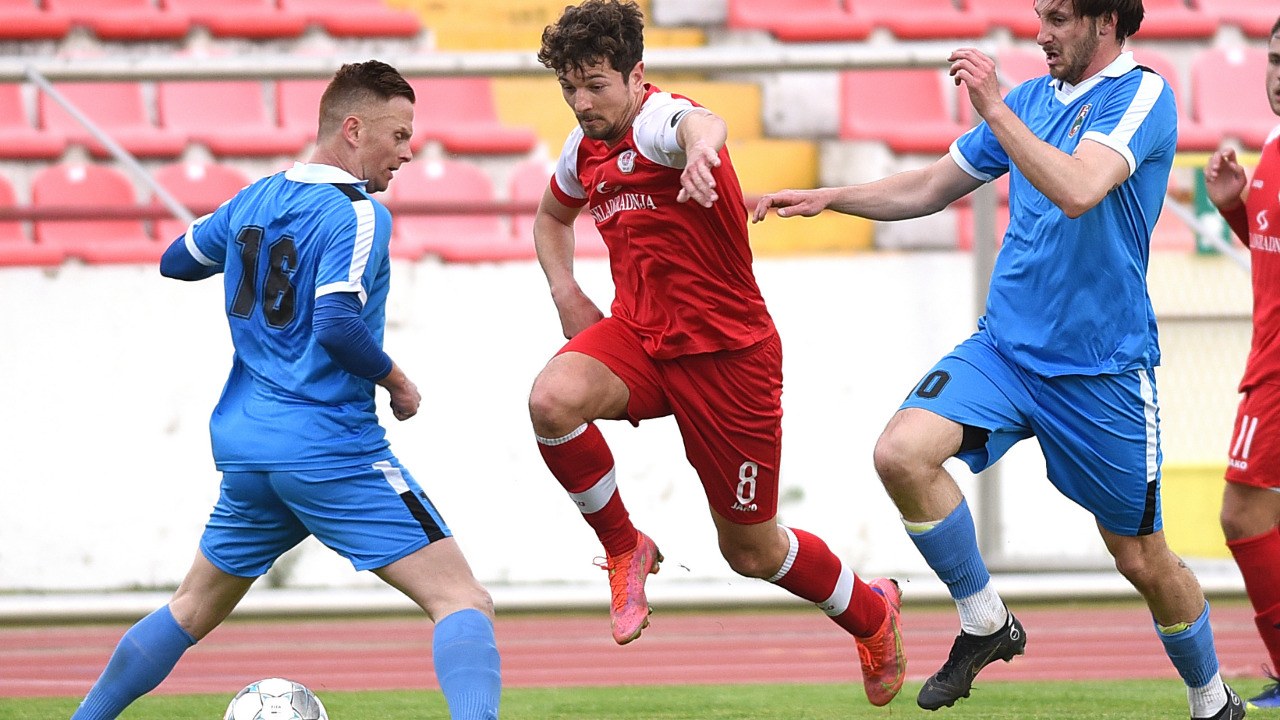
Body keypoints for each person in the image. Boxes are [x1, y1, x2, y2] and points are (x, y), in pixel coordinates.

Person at [754, 1, 1244, 717]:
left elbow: (1078, 189)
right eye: (1040, 16)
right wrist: (833, 198)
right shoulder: (1032, 100)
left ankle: (1212, 700)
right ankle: (985, 620)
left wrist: (992, 106)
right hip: (1005, 350)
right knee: (901, 454)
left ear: (1107, 21)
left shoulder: (1144, 95)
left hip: (1100, 371)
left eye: (1060, 19)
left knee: (1142, 559)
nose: (1042, 34)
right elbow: (932, 185)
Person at [70, 61, 501, 720]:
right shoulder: (358, 213)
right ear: (352, 129)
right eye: (398, 135)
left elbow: (176, 261)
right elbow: (336, 324)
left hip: (250, 449)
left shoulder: (257, 197)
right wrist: (397, 382)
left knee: (191, 607)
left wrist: (243, 227)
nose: (407, 152)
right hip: (329, 447)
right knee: (462, 601)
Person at [525, 0, 906, 707]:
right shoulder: (583, 149)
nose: (581, 102)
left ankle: (871, 613)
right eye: (569, 87)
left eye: (596, 85)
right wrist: (565, 291)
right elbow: (552, 217)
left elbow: (699, 124)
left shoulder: (660, 122)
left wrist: (703, 151)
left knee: (751, 551)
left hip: (728, 357)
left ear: (636, 76)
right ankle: (624, 546)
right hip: (640, 337)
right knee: (552, 401)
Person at [1206, 15, 1280, 713]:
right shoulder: (1275, 146)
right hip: (1268, 359)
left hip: (1277, 374)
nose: (1279, 76)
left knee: (1242, 513)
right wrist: (1236, 208)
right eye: (1276, 59)